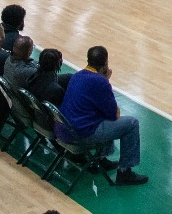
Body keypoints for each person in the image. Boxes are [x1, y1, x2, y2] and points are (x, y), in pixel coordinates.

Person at [58, 46, 148, 185]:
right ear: (106, 63)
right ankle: (125, 172)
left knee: (100, 115)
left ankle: (99, 160)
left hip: (65, 129)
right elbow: (115, 115)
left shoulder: (77, 75)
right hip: (81, 134)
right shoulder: (99, 82)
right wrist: (106, 81)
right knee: (131, 123)